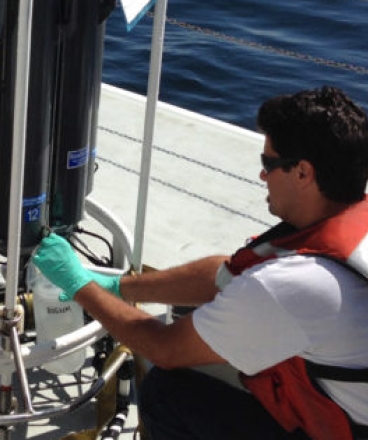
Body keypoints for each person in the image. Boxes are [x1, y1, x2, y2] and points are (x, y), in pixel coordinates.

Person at [32, 86, 368, 440]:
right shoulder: (345, 218)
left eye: (268, 164)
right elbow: (227, 272)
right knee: (204, 324)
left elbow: (165, 348)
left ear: (303, 173)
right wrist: (118, 286)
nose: (262, 176)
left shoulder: (297, 284)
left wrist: (78, 285)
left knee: (169, 393)